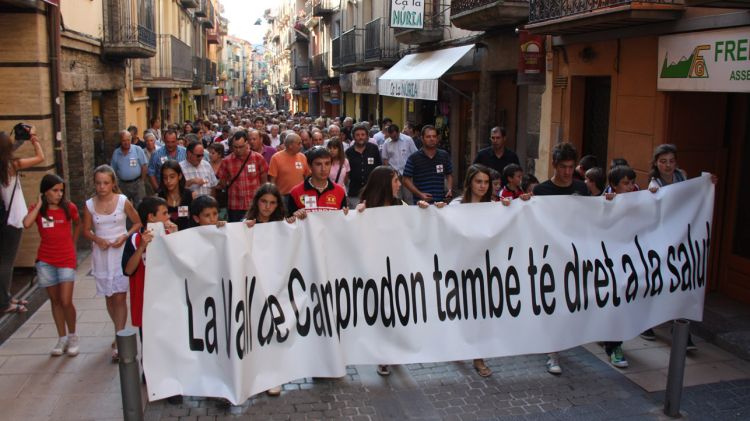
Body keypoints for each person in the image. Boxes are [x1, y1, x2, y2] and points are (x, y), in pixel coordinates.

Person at [531, 142, 588, 375]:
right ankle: (552, 351)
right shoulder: (541, 191)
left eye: (571, 167)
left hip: (575, 254)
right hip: (550, 255)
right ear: (554, 165)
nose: (567, 172)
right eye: (563, 166)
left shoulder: (582, 189)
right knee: (552, 301)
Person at [121, 196, 182, 404]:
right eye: (164, 213)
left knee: (170, 340)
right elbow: (128, 269)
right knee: (149, 341)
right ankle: (152, 375)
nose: (168, 216)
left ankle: (170, 383)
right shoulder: (134, 240)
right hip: (146, 302)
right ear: (151, 217)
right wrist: (142, 248)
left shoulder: (171, 233)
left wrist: (174, 238)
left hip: (169, 299)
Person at [81, 165, 142, 362]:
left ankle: (120, 335)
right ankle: (118, 330)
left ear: (113, 183)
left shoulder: (122, 201)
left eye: (105, 183)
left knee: (119, 297)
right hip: (101, 254)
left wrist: (124, 237)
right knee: (109, 297)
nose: (102, 187)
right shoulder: (90, 204)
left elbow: (137, 223)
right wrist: (97, 239)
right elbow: (86, 230)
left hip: (119, 252)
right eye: (98, 183)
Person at [23, 174, 80, 356]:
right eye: (55, 190)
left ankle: (72, 336)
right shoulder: (39, 210)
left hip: (66, 259)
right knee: (55, 301)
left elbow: (79, 224)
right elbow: (26, 223)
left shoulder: (68, 208)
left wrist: (73, 243)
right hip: (46, 261)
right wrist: (40, 204)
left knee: (66, 300)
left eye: (61, 190)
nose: (59, 194)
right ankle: (61, 337)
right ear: (45, 191)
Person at [1, 127, 44, 315]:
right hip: (13, 219)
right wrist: (34, 138)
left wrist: (17, 141)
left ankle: (7, 296)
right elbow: (40, 157)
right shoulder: (12, 165)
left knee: (4, 261)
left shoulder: (5, 164)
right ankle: (4, 302)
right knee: (6, 263)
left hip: (5, 220)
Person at [216, 131, 268, 222]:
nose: (238, 150)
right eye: (235, 147)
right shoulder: (226, 161)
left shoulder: (258, 158)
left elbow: (264, 181)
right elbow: (222, 183)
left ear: (247, 143)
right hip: (235, 206)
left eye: (241, 147)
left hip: (254, 205)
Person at [286, 147, 347, 218]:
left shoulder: (340, 191)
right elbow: (289, 223)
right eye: (318, 164)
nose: (323, 169)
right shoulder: (296, 192)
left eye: (327, 163)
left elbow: (343, 222)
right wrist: (294, 217)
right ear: (309, 166)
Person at [403, 125, 453, 204]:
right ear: (422, 139)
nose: (432, 139)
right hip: (421, 204)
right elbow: (405, 179)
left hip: (441, 204)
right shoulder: (414, 158)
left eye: (434, 136)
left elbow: (449, 174)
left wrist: (449, 190)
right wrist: (420, 194)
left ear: (437, 138)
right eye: (428, 137)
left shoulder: (444, 155)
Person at [346, 124, 382, 207]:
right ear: (353, 137)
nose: (360, 137)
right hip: (355, 193)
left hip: (372, 192)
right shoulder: (349, 152)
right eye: (357, 135)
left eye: (363, 135)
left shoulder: (374, 149)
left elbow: (379, 168)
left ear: (367, 136)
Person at [111, 130, 148, 207]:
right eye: (124, 140)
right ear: (120, 141)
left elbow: (144, 165)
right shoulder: (116, 153)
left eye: (128, 140)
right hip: (123, 185)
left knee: (141, 206)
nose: (126, 142)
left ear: (131, 139)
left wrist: (142, 180)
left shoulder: (137, 149)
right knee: (123, 206)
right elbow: (112, 170)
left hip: (137, 183)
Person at [158, 160, 194, 231]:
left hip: (187, 235)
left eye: (172, 177)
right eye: (165, 177)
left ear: (179, 176)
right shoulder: (159, 197)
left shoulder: (190, 195)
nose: (168, 181)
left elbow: (196, 219)